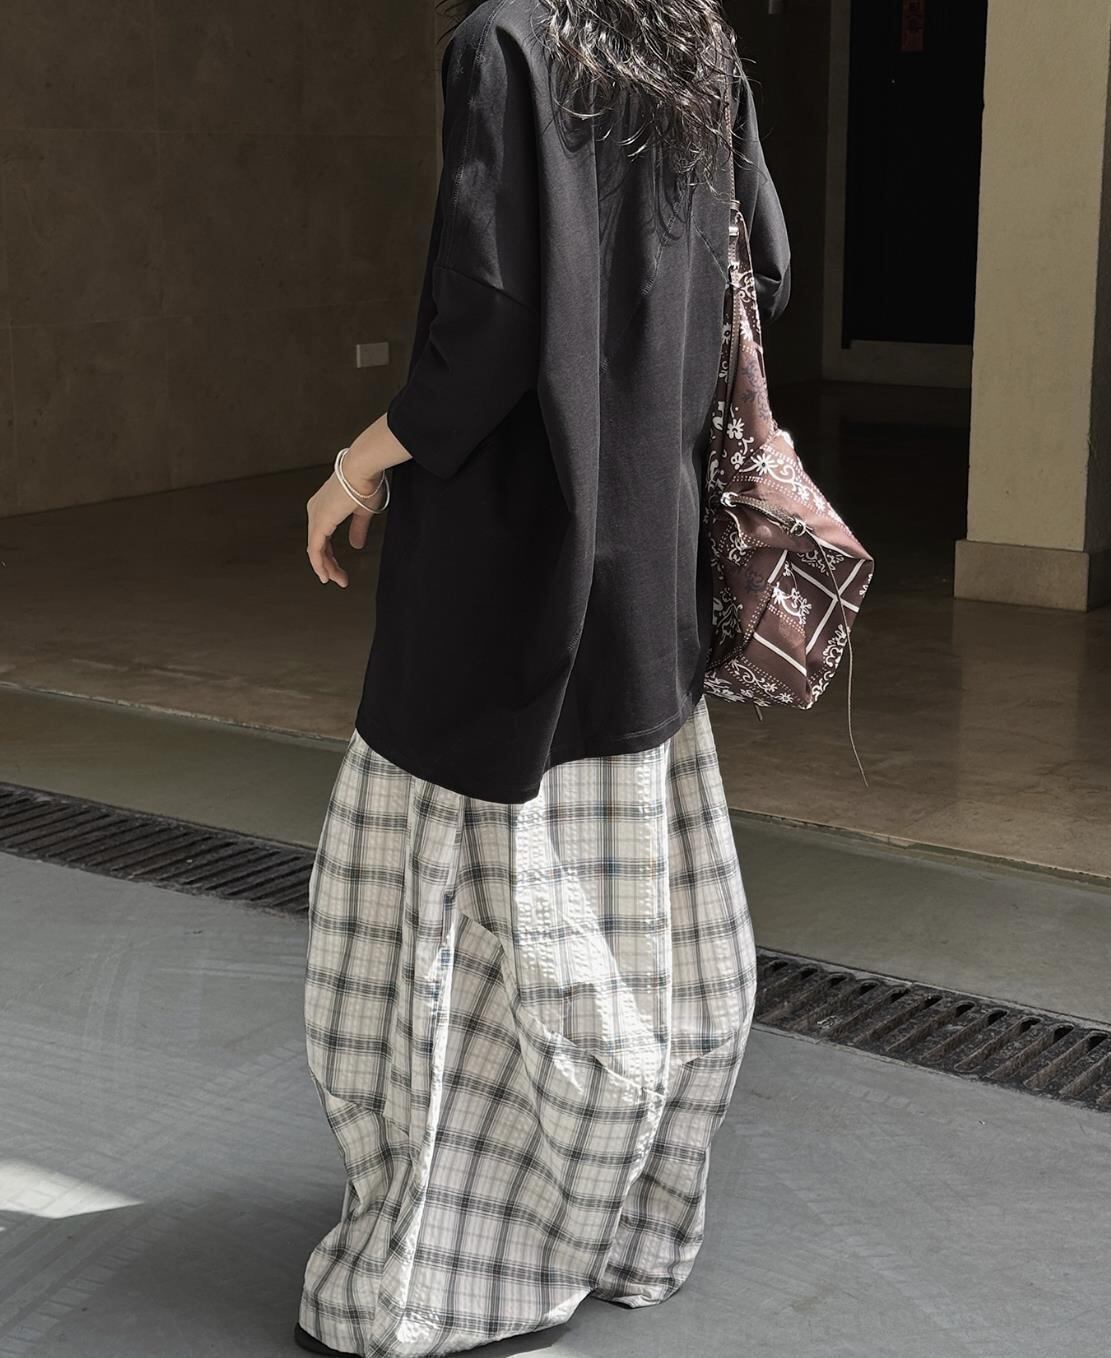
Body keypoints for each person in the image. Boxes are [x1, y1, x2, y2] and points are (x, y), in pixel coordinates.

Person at [296, 0, 790, 1353]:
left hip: (505, 575)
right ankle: (623, 1222)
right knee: (635, 924)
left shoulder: (502, 43)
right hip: (647, 570)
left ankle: (460, 1261)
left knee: (451, 936)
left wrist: (353, 468)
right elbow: (765, 268)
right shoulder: (690, 36)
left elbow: (488, 329)